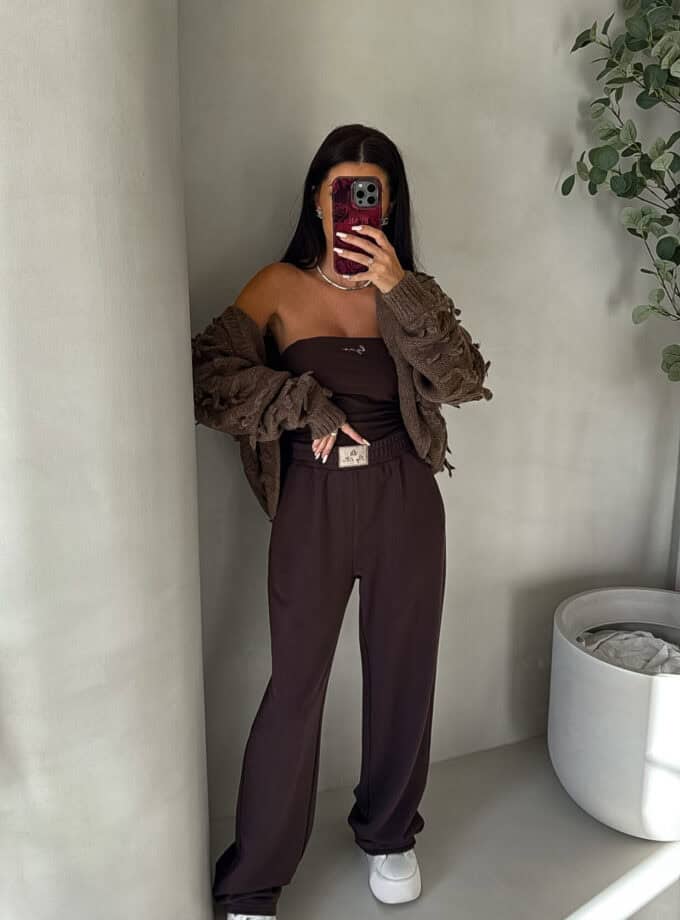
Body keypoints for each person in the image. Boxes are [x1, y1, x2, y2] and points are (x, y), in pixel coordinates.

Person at [191, 123, 493, 920]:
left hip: (405, 497)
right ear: (318, 200)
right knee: (295, 686)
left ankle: (389, 832)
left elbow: (462, 380)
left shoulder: (410, 291)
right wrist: (302, 402)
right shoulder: (277, 287)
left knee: (403, 672)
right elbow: (206, 375)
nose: (353, 206)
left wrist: (400, 289)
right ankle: (255, 874)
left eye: (370, 194)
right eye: (340, 191)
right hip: (314, 502)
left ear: (387, 208)